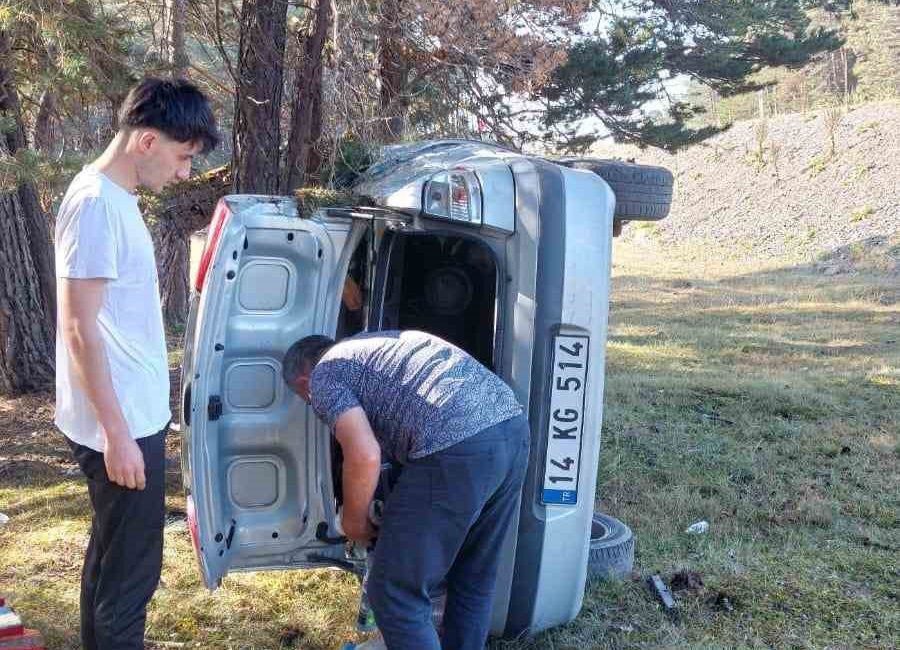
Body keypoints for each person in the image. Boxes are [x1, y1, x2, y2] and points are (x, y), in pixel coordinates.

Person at [55, 77, 218, 650]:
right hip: (117, 427)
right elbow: (78, 327)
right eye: (182, 157)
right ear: (147, 142)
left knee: (110, 561)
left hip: (127, 419)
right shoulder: (97, 203)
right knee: (131, 578)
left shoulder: (111, 199)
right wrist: (117, 435)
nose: (184, 174)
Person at [282, 330, 530, 650]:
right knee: (472, 578)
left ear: (303, 382)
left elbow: (364, 455)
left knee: (393, 592)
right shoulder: (375, 350)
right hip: (511, 430)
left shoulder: (324, 375)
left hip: (456, 444)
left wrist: (354, 522)